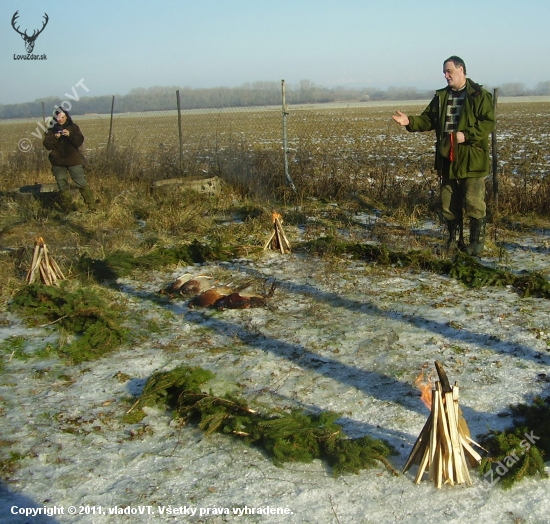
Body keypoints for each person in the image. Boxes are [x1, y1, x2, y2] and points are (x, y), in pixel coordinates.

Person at [392, 56, 494, 256]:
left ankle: (476, 244)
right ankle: (454, 241)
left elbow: (488, 122)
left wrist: (467, 135)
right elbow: (428, 119)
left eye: (449, 72)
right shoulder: (441, 97)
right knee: (448, 202)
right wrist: (409, 122)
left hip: (472, 158)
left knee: (473, 202)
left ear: (461, 70)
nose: (446, 76)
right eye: (444, 73)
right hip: (447, 157)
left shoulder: (479, 95)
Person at [43, 109, 96, 211]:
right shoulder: (50, 130)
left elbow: (79, 142)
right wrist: (55, 137)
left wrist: (70, 135)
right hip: (58, 162)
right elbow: (47, 145)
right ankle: (68, 209)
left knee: (81, 182)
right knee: (62, 185)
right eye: (58, 117)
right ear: (55, 118)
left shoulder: (73, 127)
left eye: (63, 117)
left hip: (73, 160)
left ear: (67, 117)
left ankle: (91, 206)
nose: (60, 119)